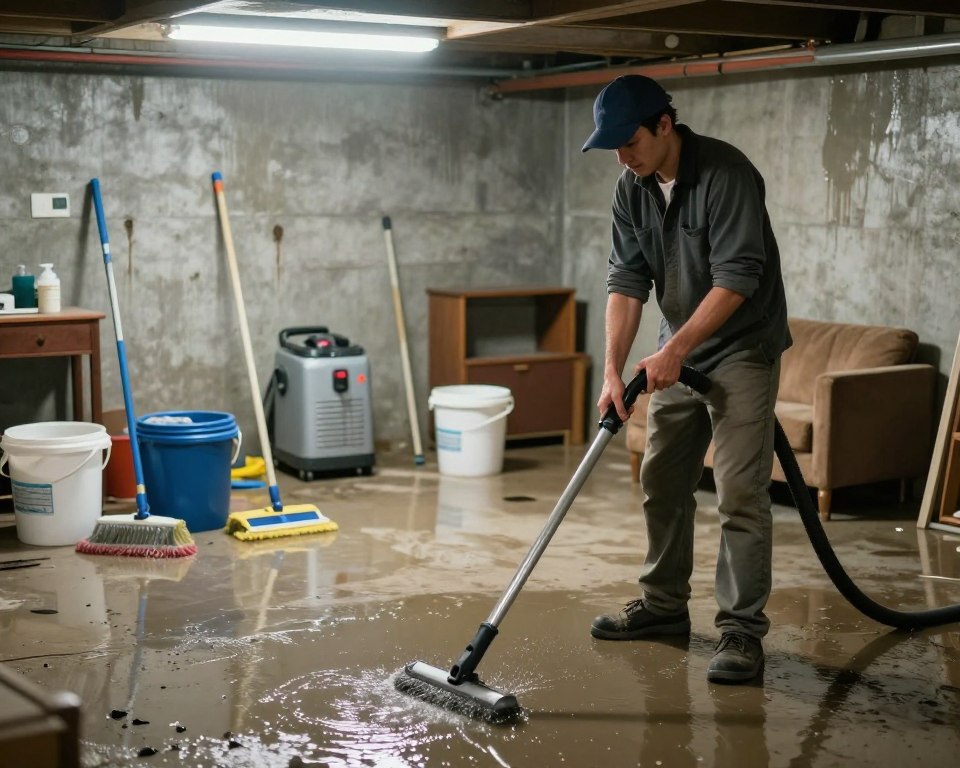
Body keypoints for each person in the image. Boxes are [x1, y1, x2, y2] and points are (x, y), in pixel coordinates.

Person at [582, 75, 791, 684]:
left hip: (741, 348)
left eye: (630, 142)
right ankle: (663, 606)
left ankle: (740, 633)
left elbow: (739, 276)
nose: (623, 156)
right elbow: (625, 281)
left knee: (739, 492)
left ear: (664, 126)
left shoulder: (727, 175)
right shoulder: (632, 187)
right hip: (675, 347)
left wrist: (675, 347)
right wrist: (615, 370)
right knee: (662, 476)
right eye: (614, 147)